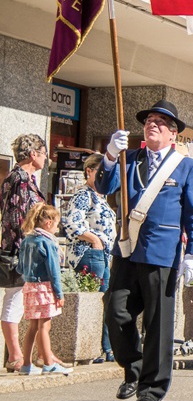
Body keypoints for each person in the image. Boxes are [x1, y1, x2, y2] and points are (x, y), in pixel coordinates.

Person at [98, 100, 193, 401]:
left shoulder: (186, 167)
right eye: (149, 120)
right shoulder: (128, 159)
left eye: (160, 121)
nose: (152, 124)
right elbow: (105, 186)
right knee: (116, 311)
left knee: (158, 325)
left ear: (173, 134)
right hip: (128, 250)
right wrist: (109, 155)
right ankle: (133, 370)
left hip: (163, 254)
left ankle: (151, 389)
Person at [61, 152, 117, 363]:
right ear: (90, 172)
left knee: (106, 300)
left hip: (102, 254)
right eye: (101, 172)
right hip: (89, 253)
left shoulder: (100, 197)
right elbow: (72, 223)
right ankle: (97, 348)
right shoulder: (84, 194)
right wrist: (95, 240)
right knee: (98, 299)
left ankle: (105, 347)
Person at [0, 133, 47, 373]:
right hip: (20, 251)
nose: (46, 158)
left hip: (21, 250)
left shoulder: (22, 178)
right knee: (15, 300)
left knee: (21, 301)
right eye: (44, 152)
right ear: (33, 154)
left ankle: (27, 356)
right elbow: (22, 219)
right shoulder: (20, 179)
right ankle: (15, 356)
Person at [17, 203, 71, 375]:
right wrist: (59, 293)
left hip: (29, 287)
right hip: (45, 288)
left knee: (32, 327)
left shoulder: (27, 240)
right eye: (56, 224)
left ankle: (26, 364)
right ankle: (49, 363)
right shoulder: (47, 242)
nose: (57, 228)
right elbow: (53, 270)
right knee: (44, 327)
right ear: (48, 223)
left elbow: (19, 268)